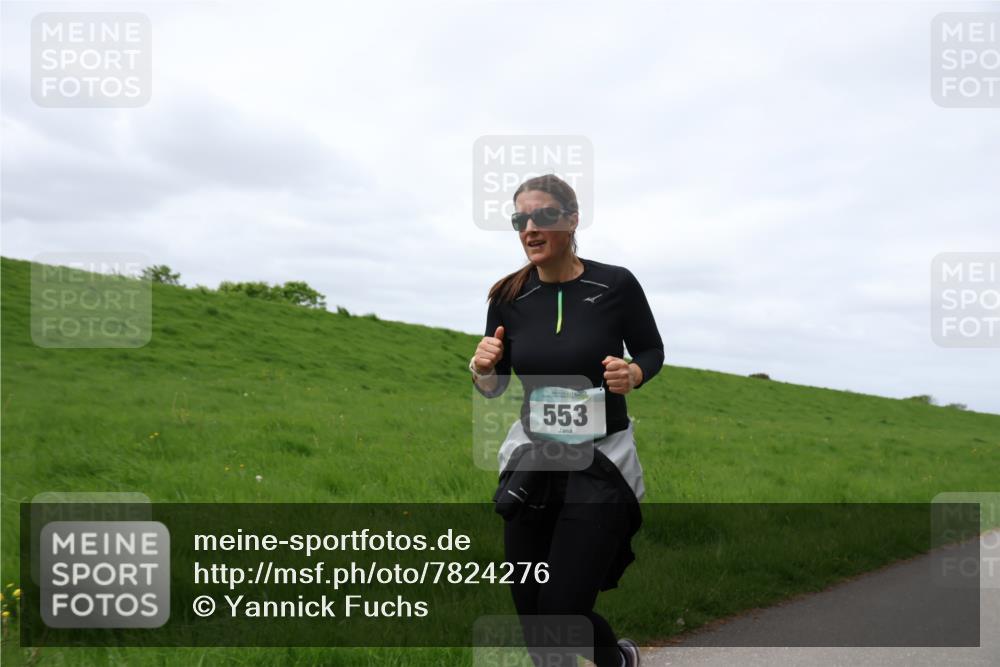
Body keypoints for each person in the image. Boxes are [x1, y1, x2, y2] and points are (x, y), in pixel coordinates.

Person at [469, 174, 664, 667]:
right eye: (520, 219)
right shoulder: (507, 297)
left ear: (572, 220)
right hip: (534, 460)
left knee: (561, 609)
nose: (529, 228)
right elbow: (495, 387)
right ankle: (616, 659)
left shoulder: (615, 284)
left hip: (600, 462)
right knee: (532, 612)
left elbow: (651, 348)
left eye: (543, 216)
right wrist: (482, 369)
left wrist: (633, 372)